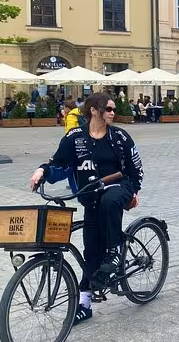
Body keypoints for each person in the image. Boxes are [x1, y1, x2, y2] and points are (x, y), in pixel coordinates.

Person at [29, 93, 143, 325]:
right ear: (94, 110)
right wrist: (42, 171)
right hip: (90, 195)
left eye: (113, 109)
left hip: (119, 186)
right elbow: (59, 163)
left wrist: (134, 192)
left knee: (110, 201)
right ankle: (84, 304)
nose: (113, 113)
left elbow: (135, 167)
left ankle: (114, 250)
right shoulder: (75, 137)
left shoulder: (119, 137)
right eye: (108, 109)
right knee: (91, 250)